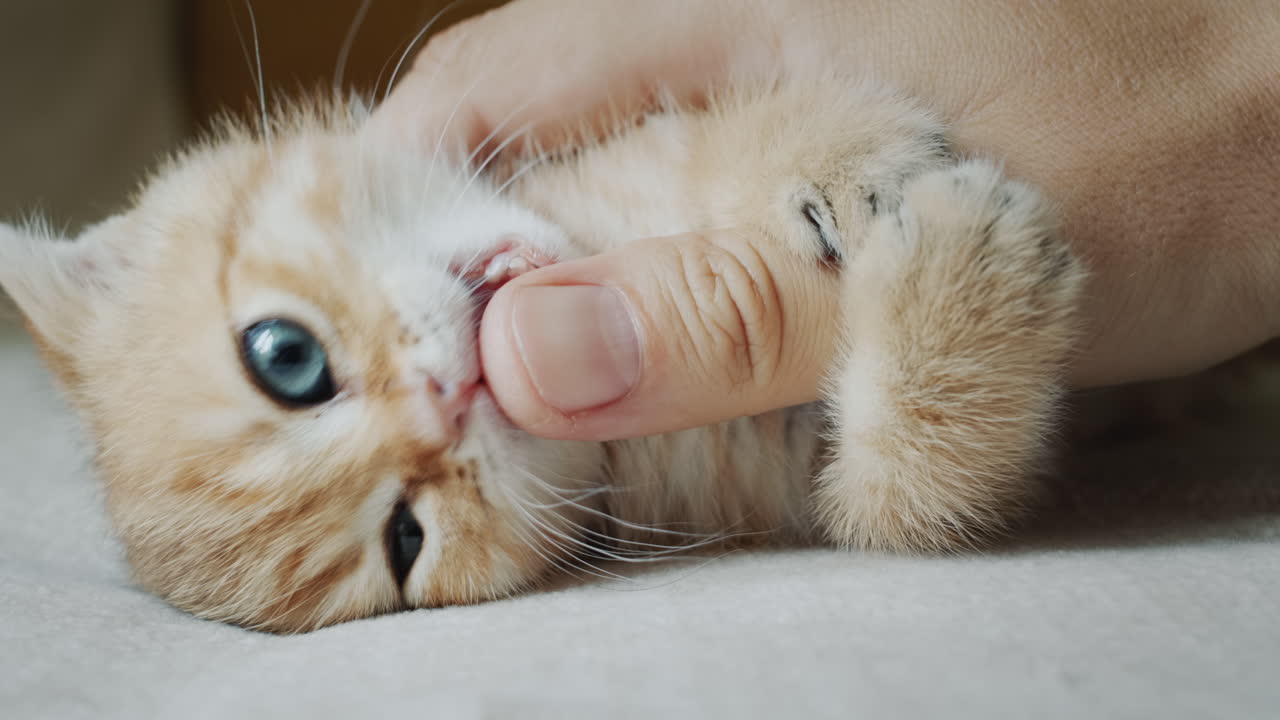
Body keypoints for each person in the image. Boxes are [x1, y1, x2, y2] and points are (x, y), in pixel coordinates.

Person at [375, 0, 1280, 441]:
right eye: (406, 542)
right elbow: (897, 489)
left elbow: (713, 134)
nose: (432, 401)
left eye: (289, 361)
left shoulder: (506, 161)